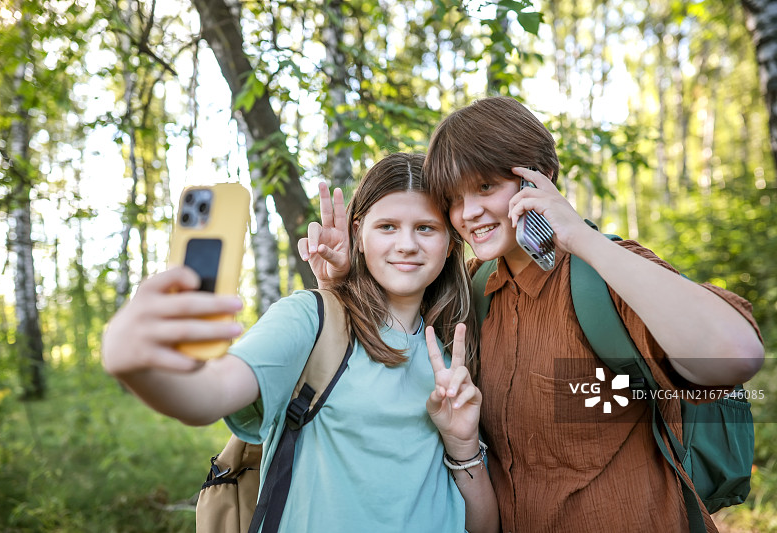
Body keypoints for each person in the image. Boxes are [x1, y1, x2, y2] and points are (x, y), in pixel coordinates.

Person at [299, 97, 765, 533]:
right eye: (455, 199)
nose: (469, 213)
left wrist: (578, 236)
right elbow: (383, 353)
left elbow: (734, 356)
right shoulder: (476, 289)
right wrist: (337, 281)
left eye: (486, 186)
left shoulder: (604, 274)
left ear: (537, 177)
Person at [102, 152, 500, 533]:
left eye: (425, 228)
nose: (407, 244)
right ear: (358, 234)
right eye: (388, 226)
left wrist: (462, 444)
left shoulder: (454, 349)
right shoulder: (311, 318)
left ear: (450, 244)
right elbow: (208, 392)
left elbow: (483, 527)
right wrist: (141, 366)